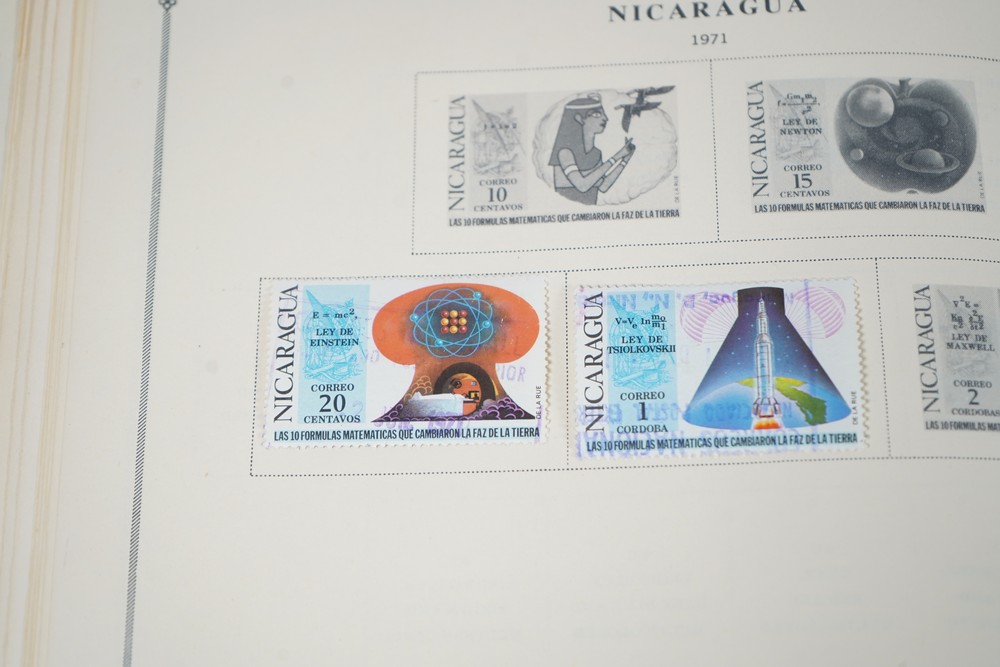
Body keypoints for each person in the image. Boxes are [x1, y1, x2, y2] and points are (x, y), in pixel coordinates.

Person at [547, 93, 635, 204]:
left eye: (603, 114)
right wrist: (618, 156)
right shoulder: (565, 152)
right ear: (579, 119)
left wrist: (624, 160)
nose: (605, 118)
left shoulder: (596, 153)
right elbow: (582, 186)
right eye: (597, 114)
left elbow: (603, 186)